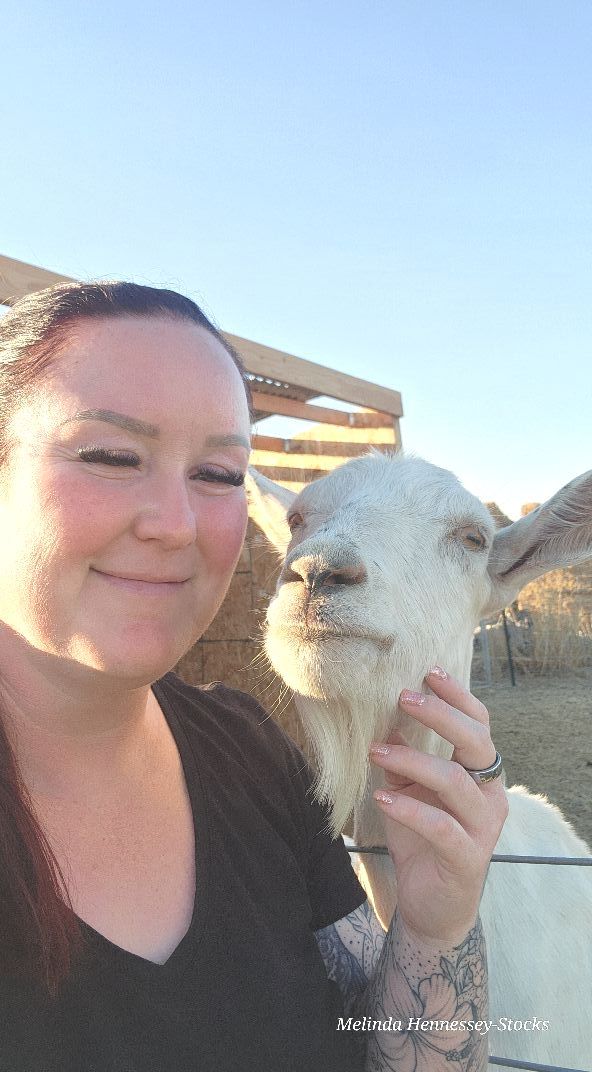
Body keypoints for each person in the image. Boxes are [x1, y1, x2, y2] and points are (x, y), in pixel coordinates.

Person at [0, 281, 508, 1071]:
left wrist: (434, 926)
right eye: (108, 455)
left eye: (218, 474)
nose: (174, 526)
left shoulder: (256, 756)